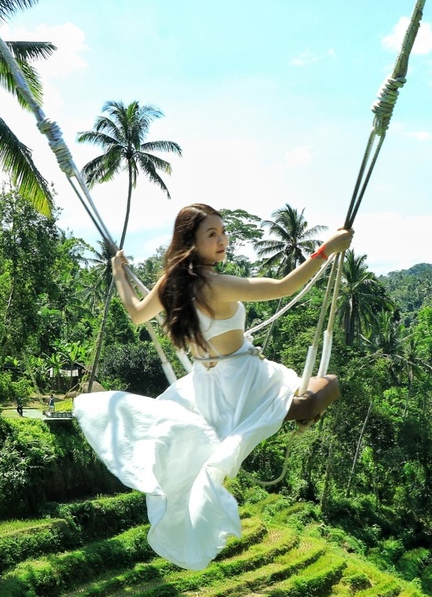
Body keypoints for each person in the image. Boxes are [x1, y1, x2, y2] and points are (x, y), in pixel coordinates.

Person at [73, 203, 353, 570]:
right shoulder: (214, 284)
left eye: (223, 232)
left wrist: (120, 275)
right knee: (329, 385)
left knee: (302, 401)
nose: (222, 240)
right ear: (191, 241)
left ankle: (295, 416)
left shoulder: (172, 281)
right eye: (212, 234)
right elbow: (285, 286)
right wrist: (324, 250)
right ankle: (299, 416)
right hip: (241, 380)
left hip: (207, 384)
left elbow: (137, 314)